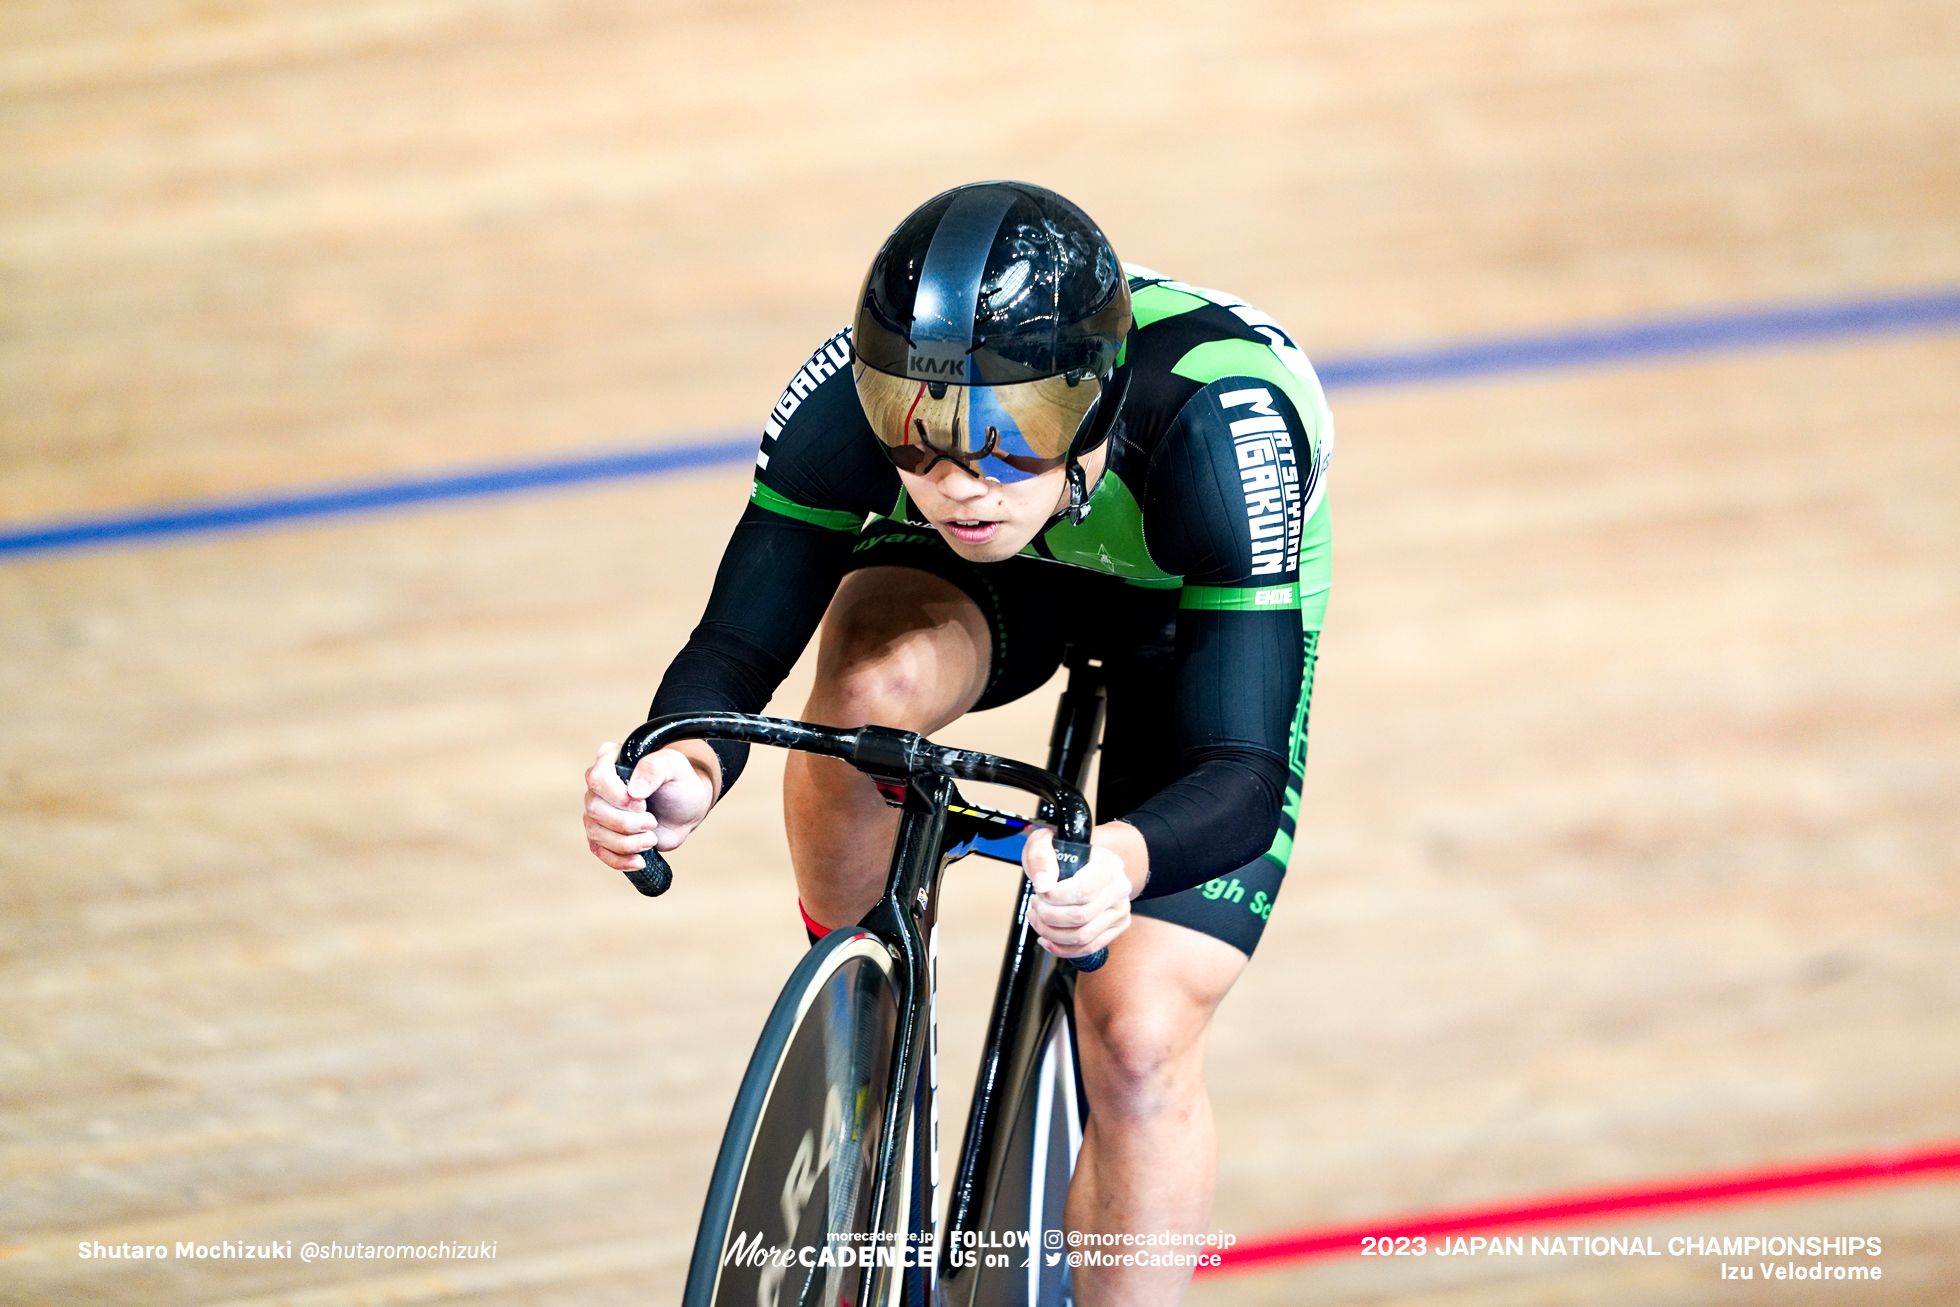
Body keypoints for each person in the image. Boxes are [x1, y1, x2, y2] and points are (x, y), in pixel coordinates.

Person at [583, 180, 1331, 1306]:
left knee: (1137, 1037)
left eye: (1009, 440)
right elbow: (738, 643)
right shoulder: (854, 410)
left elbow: (1238, 767)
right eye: (918, 438)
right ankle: (866, 1013)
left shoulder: (1219, 428)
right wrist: (683, 765)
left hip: (1188, 606)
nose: (960, 481)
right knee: (864, 693)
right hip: (997, 587)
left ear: (1092, 400)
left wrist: (1118, 861)